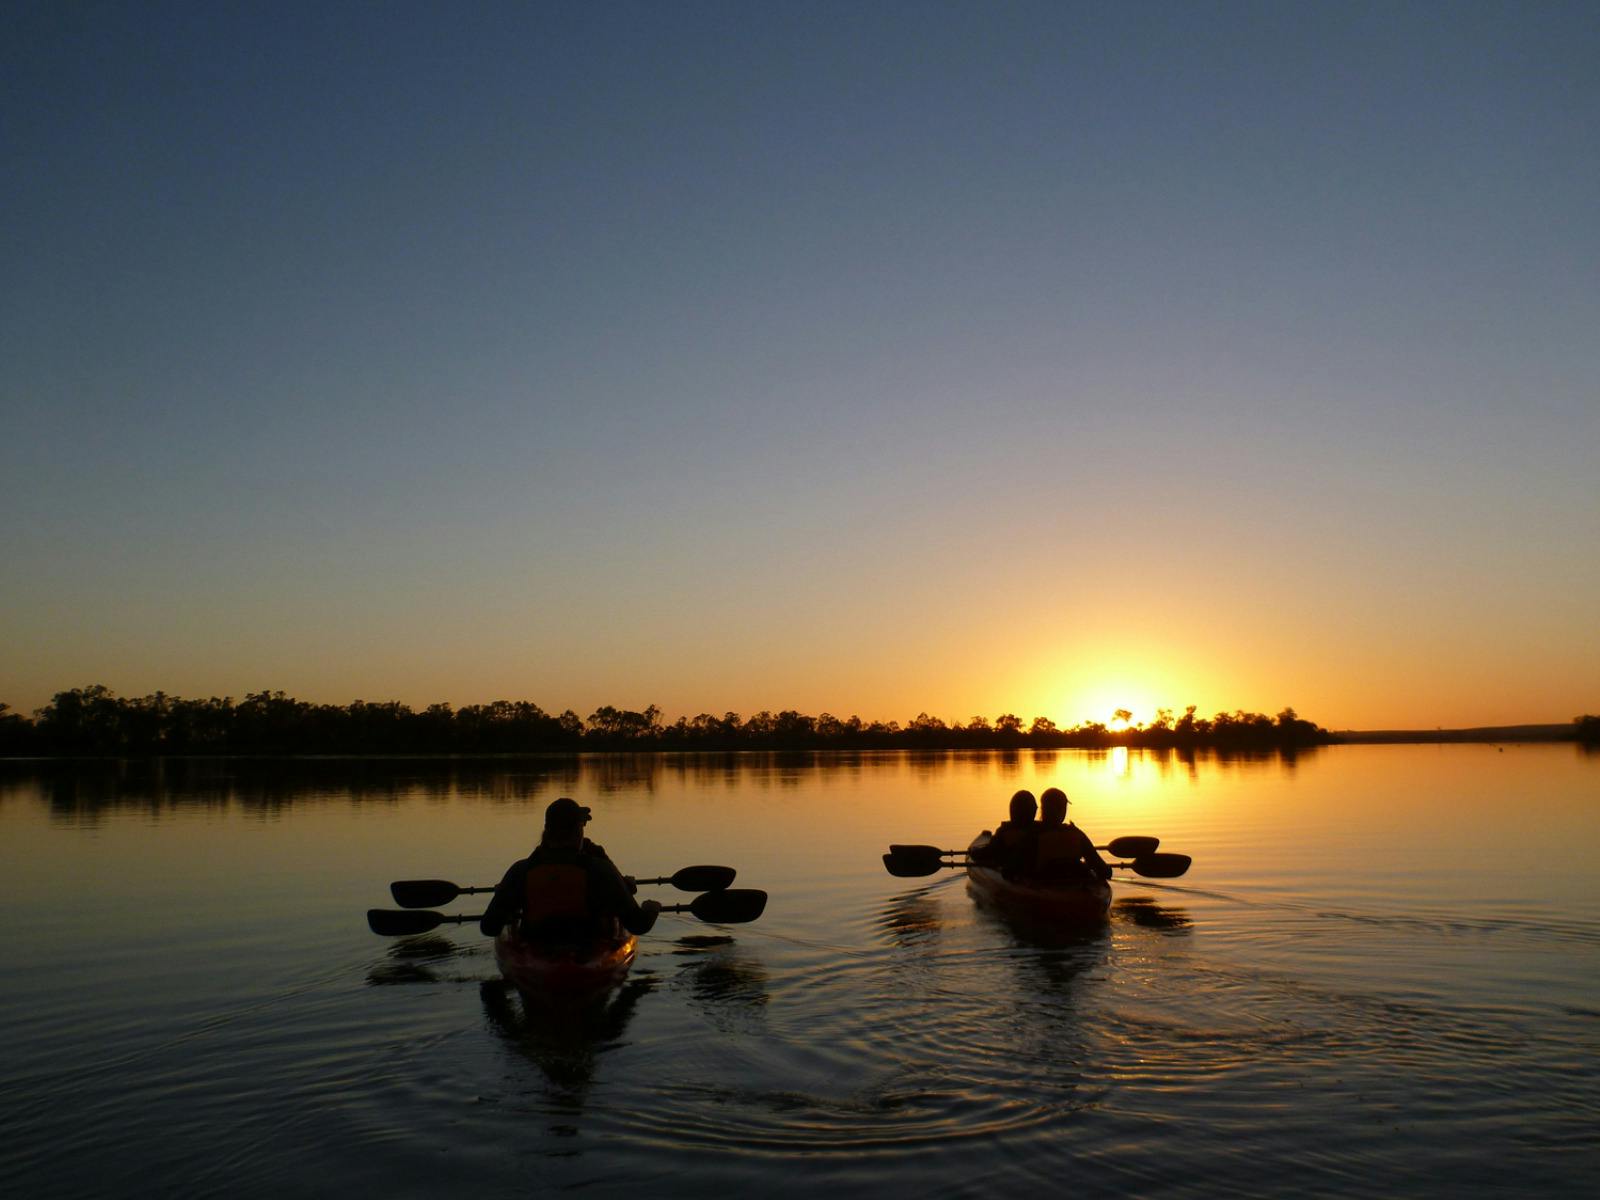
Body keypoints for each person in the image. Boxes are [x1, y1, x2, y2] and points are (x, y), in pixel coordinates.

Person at [479, 797, 661, 945]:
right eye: (582, 826)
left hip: (537, 949)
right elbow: (638, 925)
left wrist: (506, 907)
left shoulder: (521, 870)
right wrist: (651, 909)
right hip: (587, 950)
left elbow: (489, 928)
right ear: (578, 831)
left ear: (546, 831)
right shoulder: (600, 869)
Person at [1031, 787, 1111, 882]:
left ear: (1042, 809)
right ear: (1062, 810)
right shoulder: (1077, 835)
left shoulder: (1033, 834)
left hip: (1044, 885)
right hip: (1075, 887)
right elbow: (1105, 872)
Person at [970, 789, 1040, 878]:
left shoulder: (1005, 833)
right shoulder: (1041, 831)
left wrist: (972, 852)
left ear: (1013, 811)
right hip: (1035, 877)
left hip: (1017, 877)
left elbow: (987, 853)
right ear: (1034, 811)